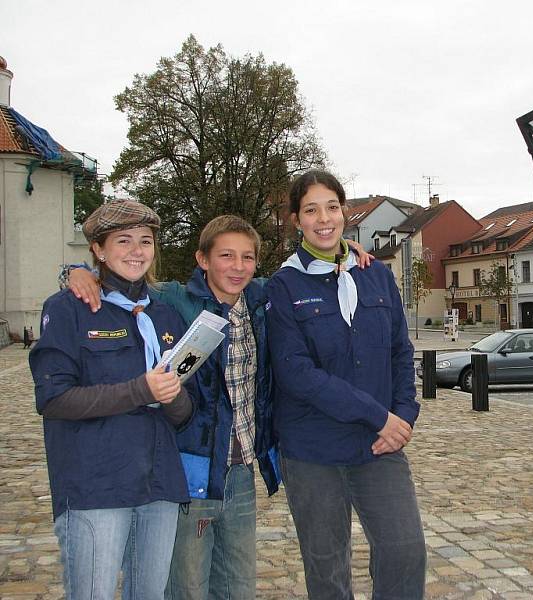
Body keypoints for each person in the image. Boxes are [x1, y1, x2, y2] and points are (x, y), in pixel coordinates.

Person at [66, 215, 373, 600]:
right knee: (189, 585)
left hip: (242, 468)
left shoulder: (263, 299)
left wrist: (347, 251)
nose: (238, 266)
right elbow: (125, 280)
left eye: (247, 257)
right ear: (203, 259)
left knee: (237, 584)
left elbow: (311, 274)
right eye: (226, 255)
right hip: (191, 466)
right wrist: (78, 271)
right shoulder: (177, 300)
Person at [266, 170, 426, 599]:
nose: (324, 218)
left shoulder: (375, 275)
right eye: (311, 210)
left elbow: (399, 350)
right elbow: (297, 373)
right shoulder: (284, 286)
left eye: (332, 207)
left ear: (345, 212)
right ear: (296, 220)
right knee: (327, 567)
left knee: (405, 551)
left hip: (380, 444)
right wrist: (379, 416)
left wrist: (404, 416)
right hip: (313, 449)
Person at [29, 200, 195, 600]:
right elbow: (53, 398)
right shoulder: (69, 309)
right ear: (98, 251)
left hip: (159, 484)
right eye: (124, 241)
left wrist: (172, 398)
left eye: (145, 241)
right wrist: (141, 390)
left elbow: (185, 414)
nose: (137, 250)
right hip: (96, 487)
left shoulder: (165, 315)